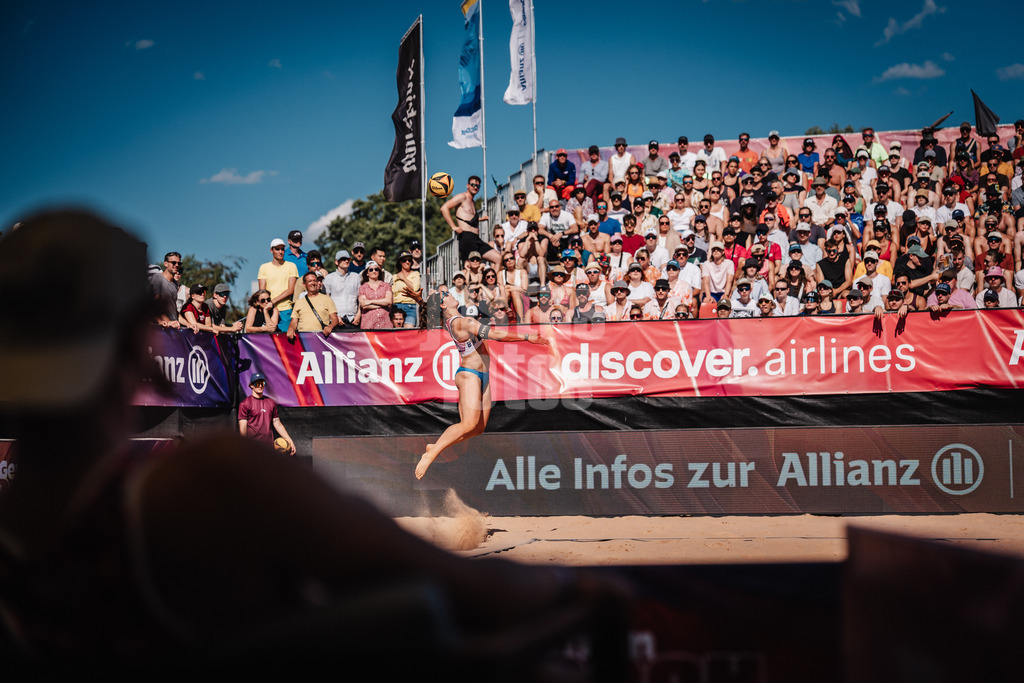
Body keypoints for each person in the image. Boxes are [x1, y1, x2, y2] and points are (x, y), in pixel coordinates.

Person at [415, 293, 549, 479]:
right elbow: (495, 334)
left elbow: (432, 309)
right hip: (469, 375)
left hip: (482, 375)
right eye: (445, 295)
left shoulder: (458, 320)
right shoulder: (460, 322)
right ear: (443, 306)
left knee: (478, 428)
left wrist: (421, 300)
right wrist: (527, 337)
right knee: (467, 424)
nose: (450, 294)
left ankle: (436, 446)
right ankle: (431, 453)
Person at [441, 176, 499, 267]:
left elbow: (467, 217)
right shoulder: (462, 197)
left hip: (476, 239)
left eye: (477, 186)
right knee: (469, 267)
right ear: (467, 185)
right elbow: (444, 208)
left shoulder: (472, 201)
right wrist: (453, 227)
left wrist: (480, 219)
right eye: (473, 185)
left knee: (498, 258)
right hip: (466, 237)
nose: (475, 187)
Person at [238, 372, 296, 455]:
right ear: (251, 385)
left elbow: (277, 423)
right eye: (257, 383)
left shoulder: (271, 403)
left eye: (262, 383)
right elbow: (242, 428)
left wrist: (290, 441)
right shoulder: (245, 404)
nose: (260, 386)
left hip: (269, 448)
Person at [257, 238, 299, 332]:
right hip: (268, 310)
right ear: (271, 250)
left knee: (286, 341)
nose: (280, 252)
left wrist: (273, 302)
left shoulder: (291, 266)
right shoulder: (264, 267)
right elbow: (262, 292)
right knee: (268, 342)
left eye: (282, 249)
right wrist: (269, 306)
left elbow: (290, 290)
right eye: (277, 249)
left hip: (286, 310)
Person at [288, 272, 339, 339]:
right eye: (310, 281)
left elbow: (335, 319)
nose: (313, 283)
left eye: (314, 281)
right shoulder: (299, 302)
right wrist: (291, 329)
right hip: (304, 339)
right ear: (304, 284)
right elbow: (294, 321)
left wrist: (330, 326)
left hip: (322, 338)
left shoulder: (327, 299)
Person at [323, 250, 361, 329]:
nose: (346, 261)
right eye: (343, 259)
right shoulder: (329, 278)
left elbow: (360, 298)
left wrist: (358, 315)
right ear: (336, 262)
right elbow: (326, 300)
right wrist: (334, 317)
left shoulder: (356, 277)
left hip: (353, 320)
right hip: (336, 320)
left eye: (348, 259)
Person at [150, 252, 183, 328]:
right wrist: (167, 322)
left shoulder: (175, 283)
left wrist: (189, 324)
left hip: (172, 328)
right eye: (173, 263)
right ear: (166, 264)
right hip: (160, 329)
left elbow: (174, 311)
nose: (177, 265)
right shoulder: (157, 278)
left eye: (179, 263)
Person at [392, 251, 422, 328]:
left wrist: (403, 278)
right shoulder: (394, 276)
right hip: (396, 306)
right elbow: (392, 292)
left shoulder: (415, 274)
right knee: (397, 331)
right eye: (404, 260)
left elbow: (415, 288)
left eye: (409, 260)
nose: (407, 262)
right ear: (400, 262)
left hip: (410, 306)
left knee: (409, 330)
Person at [358, 262, 392, 329]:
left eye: (376, 269)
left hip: (385, 322)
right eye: (371, 270)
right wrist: (383, 304)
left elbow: (389, 301)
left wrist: (370, 301)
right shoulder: (363, 287)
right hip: (369, 323)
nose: (374, 271)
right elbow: (363, 305)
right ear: (367, 273)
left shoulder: (386, 286)